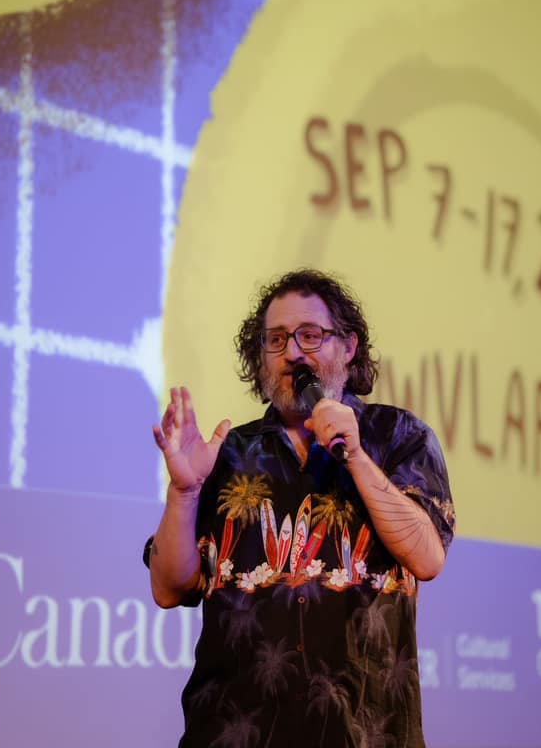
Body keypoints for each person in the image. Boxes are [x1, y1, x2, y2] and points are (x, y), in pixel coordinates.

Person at [145, 268, 455, 748]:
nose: (293, 353)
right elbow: (169, 589)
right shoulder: (227, 454)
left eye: (310, 336)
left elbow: (427, 559)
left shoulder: (399, 438)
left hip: (366, 733)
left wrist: (355, 456)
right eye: (276, 340)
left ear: (348, 347)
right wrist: (184, 492)